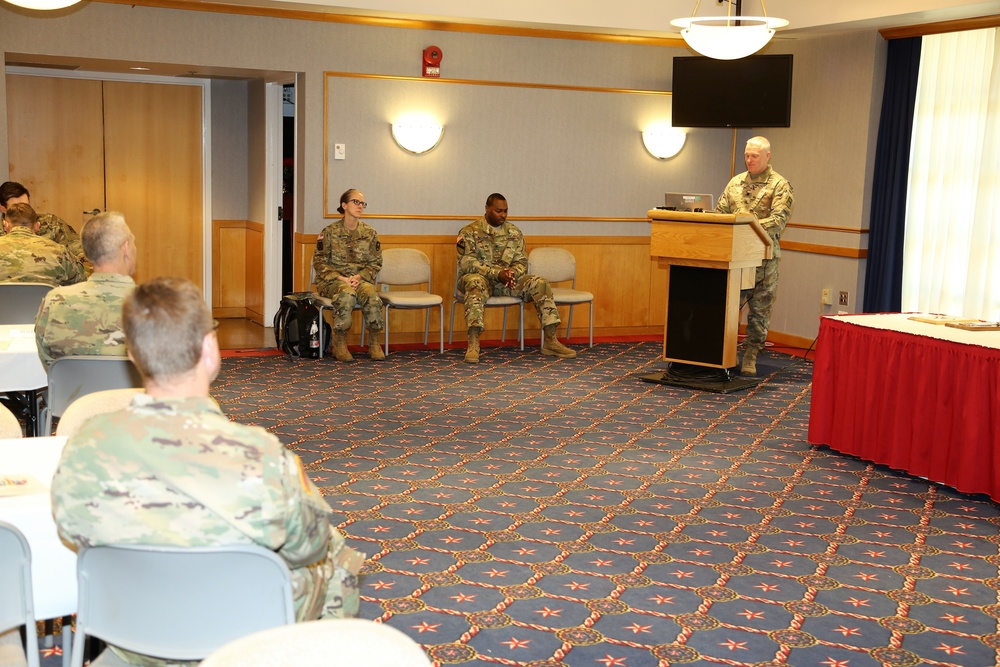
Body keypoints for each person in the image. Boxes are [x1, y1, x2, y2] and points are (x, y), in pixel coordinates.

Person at [50, 276, 364, 666]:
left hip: (134, 632)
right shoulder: (259, 455)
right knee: (335, 552)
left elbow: (71, 530)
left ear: (132, 354)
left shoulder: (84, 444)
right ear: (210, 348)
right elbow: (309, 547)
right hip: (239, 636)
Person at [456, 193, 577, 364]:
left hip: (507, 281)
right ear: (487, 209)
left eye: (506, 211)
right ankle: (473, 342)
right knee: (474, 282)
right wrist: (496, 273)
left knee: (539, 283)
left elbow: (521, 260)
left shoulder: (514, 232)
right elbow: (466, 262)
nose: (503, 215)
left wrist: (512, 273)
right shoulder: (469, 232)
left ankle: (550, 340)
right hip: (480, 279)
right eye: (499, 211)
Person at [715, 136, 794, 376]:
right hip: (735, 260)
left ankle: (751, 355)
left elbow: (779, 220)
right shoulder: (735, 183)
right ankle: (725, 354)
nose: (749, 160)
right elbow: (720, 212)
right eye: (747, 155)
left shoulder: (780, 185)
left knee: (759, 312)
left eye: (755, 156)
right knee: (727, 310)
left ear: (767, 156)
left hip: (764, 260)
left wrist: (747, 225)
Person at [34, 211, 137, 370]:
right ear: (126, 248)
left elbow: (50, 365)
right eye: (133, 242)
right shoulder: (156, 305)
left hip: (73, 393)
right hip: (130, 394)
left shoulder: (54, 302)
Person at [312, 188, 384, 362]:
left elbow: (376, 262)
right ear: (344, 205)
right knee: (346, 294)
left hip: (359, 280)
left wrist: (358, 277)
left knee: (372, 296)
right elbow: (319, 262)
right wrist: (342, 278)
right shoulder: (329, 232)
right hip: (333, 281)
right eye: (356, 202)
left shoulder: (370, 233)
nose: (360, 206)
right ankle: (340, 343)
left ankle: (374, 343)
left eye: (362, 203)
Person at [0, 181, 88, 272]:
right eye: (16, 207)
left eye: (26, 205)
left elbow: (79, 249)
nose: (22, 210)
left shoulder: (50, 223)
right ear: (3, 208)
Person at [0, 202, 85, 286]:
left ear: (5, 225)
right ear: (37, 226)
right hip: (42, 299)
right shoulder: (58, 251)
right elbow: (80, 283)